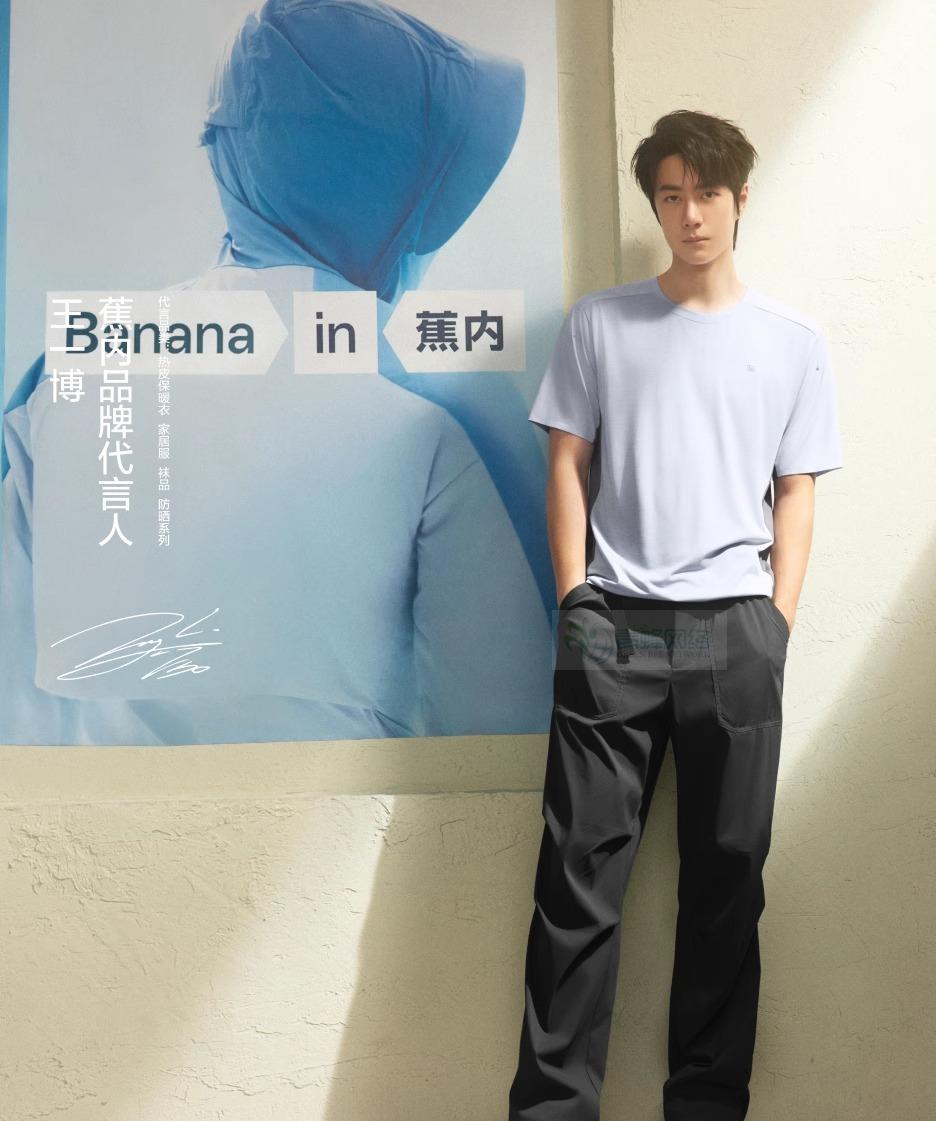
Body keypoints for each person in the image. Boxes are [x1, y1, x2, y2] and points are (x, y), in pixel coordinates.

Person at [466, 108, 843, 1121]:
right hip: (613, 627)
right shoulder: (600, 325)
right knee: (575, 880)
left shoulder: (791, 339)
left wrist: (774, 622)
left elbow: (796, 490)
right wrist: (574, 598)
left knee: (727, 877)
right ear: (655, 206)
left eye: (707, 194)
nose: (689, 215)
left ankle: (705, 1117)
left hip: (734, 628)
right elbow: (566, 464)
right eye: (670, 196)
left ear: (739, 199)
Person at [0, 0, 554, 745]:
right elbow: (508, 745)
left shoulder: (62, 377)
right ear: (386, 188)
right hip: (348, 826)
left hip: (80, 823)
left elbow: (16, 716)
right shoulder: (443, 404)